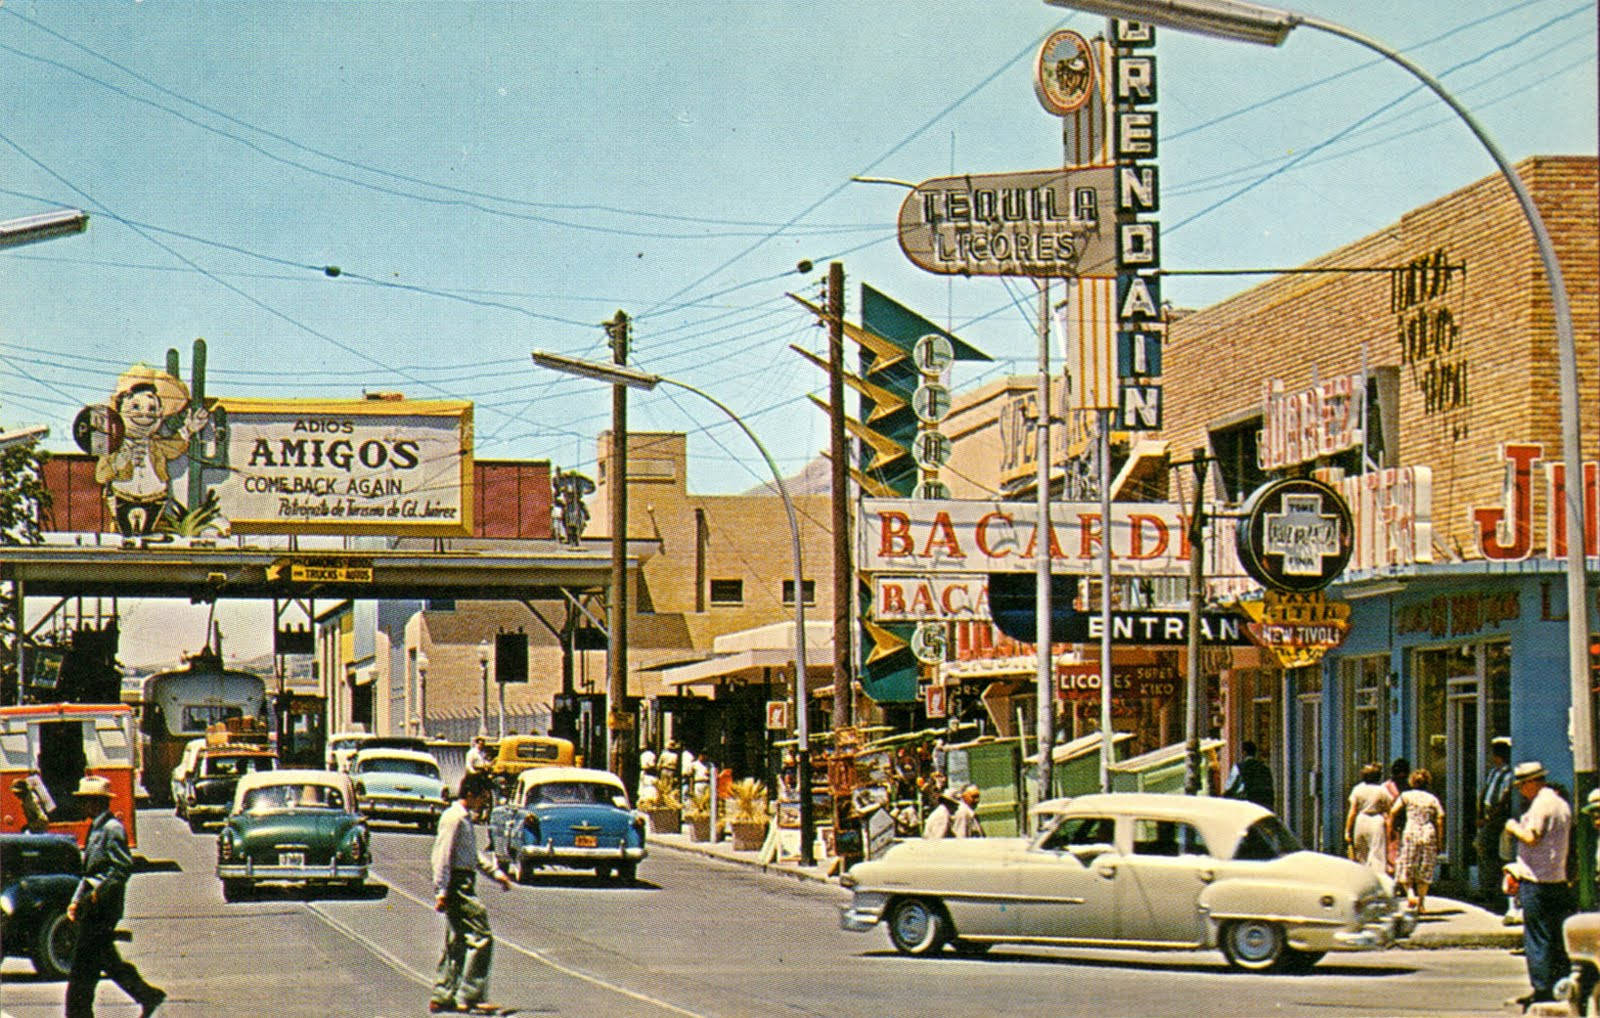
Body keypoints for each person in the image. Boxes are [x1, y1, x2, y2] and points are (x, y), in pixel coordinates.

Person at [64, 776, 165, 1018]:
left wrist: (99, 895)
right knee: (107, 961)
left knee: (82, 968)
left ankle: (78, 1014)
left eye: (85, 801)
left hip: (102, 909)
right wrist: (76, 900)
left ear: (96, 803)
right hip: (91, 904)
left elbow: (121, 869)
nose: (82, 806)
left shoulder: (112, 829)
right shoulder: (96, 827)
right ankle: (147, 995)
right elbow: (88, 872)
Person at [429, 771, 513, 1015]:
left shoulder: (464, 818)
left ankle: (442, 995)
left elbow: (472, 856)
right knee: (481, 935)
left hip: (462, 880)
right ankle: (471, 996)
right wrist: (441, 890)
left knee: (457, 941)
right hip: (457, 885)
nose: (483, 803)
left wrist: (496, 874)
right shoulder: (453, 818)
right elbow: (442, 856)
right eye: (482, 798)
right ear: (470, 794)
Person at [1502, 761, 1574, 1012]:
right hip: (1557, 878)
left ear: (1532, 782)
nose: (1521, 791)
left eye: (1522, 785)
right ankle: (1559, 985)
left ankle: (1542, 989)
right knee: (1555, 936)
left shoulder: (1540, 805)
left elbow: (1531, 837)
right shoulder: (1561, 804)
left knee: (1537, 938)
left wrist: (1513, 827)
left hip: (1536, 879)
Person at [1388, 767, 1444, 915]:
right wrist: (1440, 840)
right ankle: (1422, 903)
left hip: (1411, 830)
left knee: (1407, 863)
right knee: (1425, 867)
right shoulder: (1432, 798)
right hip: (1427, 831)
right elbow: (1440, 817)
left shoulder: (1406, 796)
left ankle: (1410, 894)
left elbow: (1393, 811)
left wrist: (1392, 828)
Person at [1476, 738, 1518, 916]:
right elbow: (1486, 791)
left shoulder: (1509, 774)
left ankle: (1493, 889)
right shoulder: (1494, 772)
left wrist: (1491, 818)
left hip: (1496, 818)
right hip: (1487, 814)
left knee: (1485, 846)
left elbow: (1505, 798)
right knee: (1486, 850)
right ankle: (1488, 887)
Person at [1343, 762, 1393, 876]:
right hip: (1376, 820)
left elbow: (1353, 811)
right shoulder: (1382, 790)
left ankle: (1362, 877)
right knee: (1377, 852)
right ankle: (1377, 878)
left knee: (1361, 852)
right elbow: (1389, 808)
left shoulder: (1357, 789)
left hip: (1361, 820)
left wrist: (1348, 829)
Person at [1382, 756, 1412, 875]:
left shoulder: (1408, 786)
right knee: (1391, 849)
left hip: (1404, 821)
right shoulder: (1386, 787)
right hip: (1391, 822)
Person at [1223, 741, 1274, 808]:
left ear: (1244, 752)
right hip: (1262, 804)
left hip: (1245, 804)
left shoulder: (1238, 767)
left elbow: (1229, 787)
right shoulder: (1264, 768)